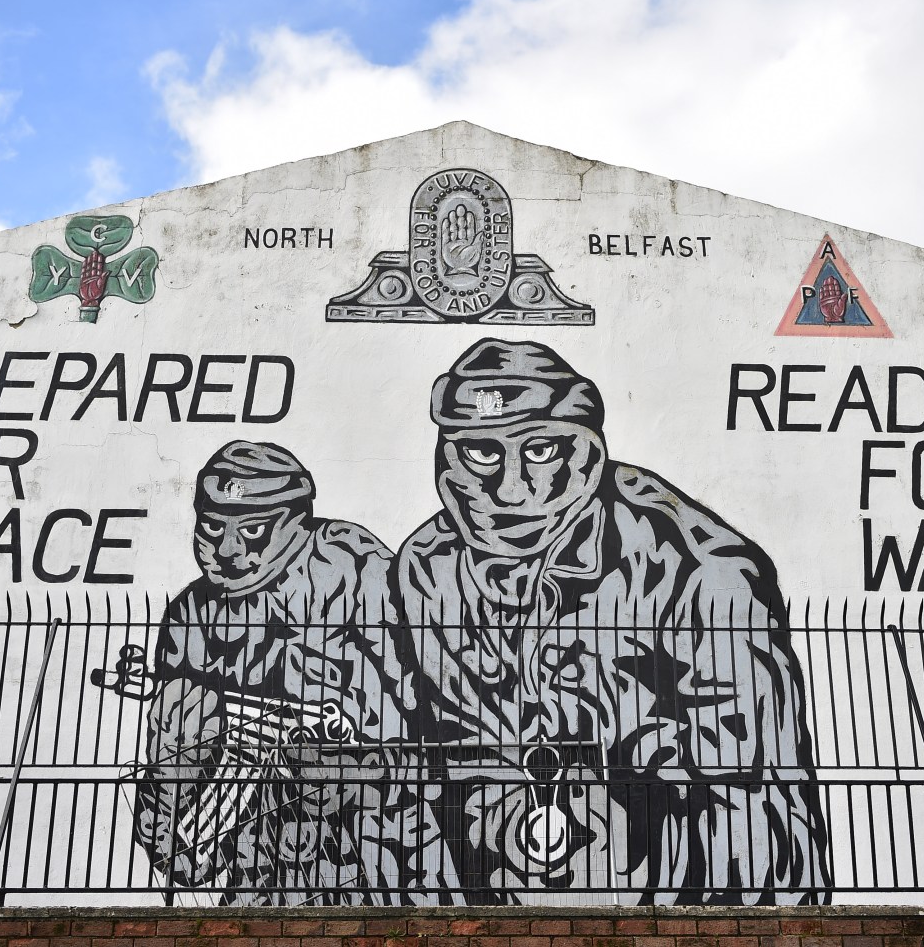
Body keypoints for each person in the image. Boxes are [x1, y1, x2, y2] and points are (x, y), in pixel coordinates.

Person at [393, 339, 829, 905]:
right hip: (526, 876)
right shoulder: (431, 565)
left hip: (701, 885)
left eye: (542, 450)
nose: (509, 488)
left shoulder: (701, 569)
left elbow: (742, 788)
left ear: (587, 452)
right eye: (480, 454)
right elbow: (458, 758)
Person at [132, 440, 445, 904]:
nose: (228, 550)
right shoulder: (191, 612)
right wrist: (170, 785)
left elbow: (415, 698)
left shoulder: (350, 564)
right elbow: (180, 819)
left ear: (297, 519)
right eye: (212, 528)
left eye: (253, 530)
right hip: (263, 854)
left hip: (377, 837)